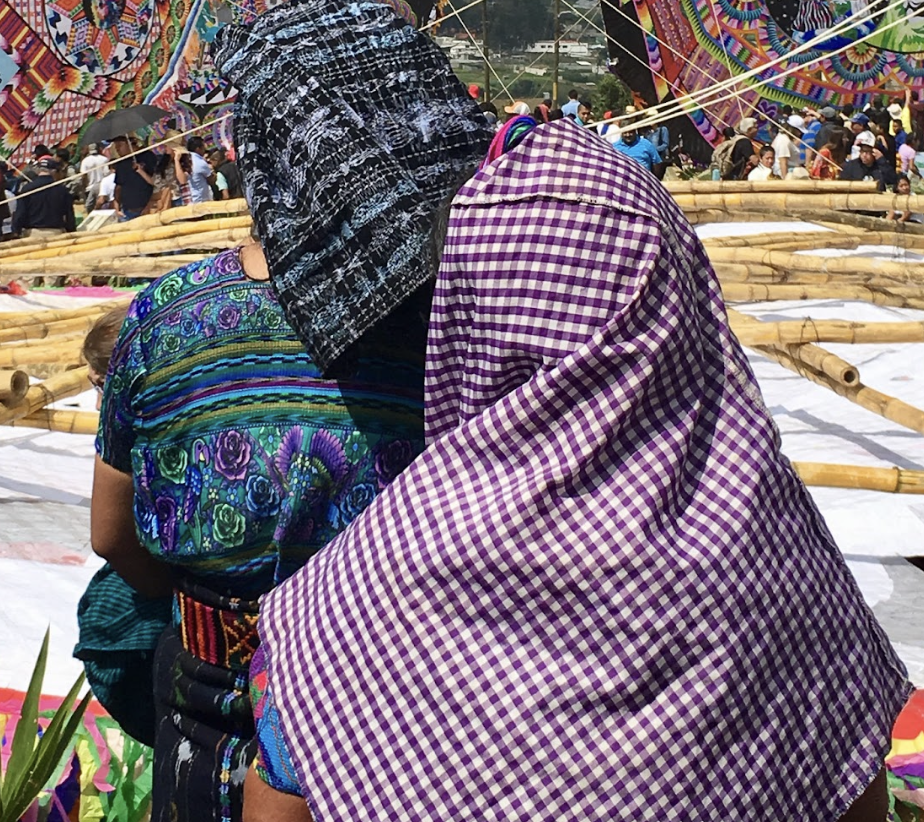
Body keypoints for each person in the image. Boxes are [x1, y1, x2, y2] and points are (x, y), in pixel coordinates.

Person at [243, 118, 908, 822]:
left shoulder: (365, 604)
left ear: (473, 315)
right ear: (678, 298)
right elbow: (853, 787)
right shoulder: (775, 552)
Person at [90, 0, 490, 822]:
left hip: (206, 698)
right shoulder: (461, 316)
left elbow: (112, 533)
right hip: (398, 724)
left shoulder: (165, 317)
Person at [10, 155, 76, 239]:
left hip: (32, 234)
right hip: (56, 234)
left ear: (38, 171)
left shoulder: (28, 188)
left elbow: (20, 212)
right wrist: (72, 231)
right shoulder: (62, 190)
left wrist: (16, 231)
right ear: (54, 171)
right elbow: (69, 215)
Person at [111, 136, 157, 220]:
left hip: (148, 208)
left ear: (129, 143)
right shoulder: (121, 163)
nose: (117, 149)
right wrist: (116, 206)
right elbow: (118, 187)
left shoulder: (147, 156)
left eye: (120, 145)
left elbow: (156, 182)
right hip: (127, 211)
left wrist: (140, 170)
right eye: (115, 146)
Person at [185, 136, 216, 204]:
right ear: (198, 149)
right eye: (203, 147)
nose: (204, 149)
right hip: (201, 200)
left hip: (189, 199)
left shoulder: (186, 160)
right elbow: (211, 180)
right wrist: (213, 170)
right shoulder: (200, 162)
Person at [80, 144, 110, 212]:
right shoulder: (104, 159)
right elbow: (107, 173)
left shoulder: (85, 161)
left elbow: (84, 176)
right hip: (102, 188)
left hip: (90, 188)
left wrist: (84, 187)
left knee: (90, 209)